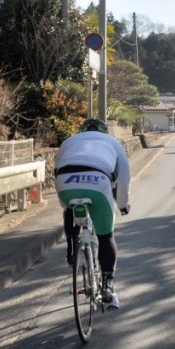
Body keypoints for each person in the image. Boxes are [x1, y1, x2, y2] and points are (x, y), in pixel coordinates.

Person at [55, 118, 131, 311]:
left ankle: (72, 248)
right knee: (106, 237)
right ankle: (107, 284)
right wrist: (122, 205)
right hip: (98, 181)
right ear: (104, 131)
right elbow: (123, 178)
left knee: (69, 209)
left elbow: (57, 168)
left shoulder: (70, 140)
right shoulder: (113, 142)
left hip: (66, 181)